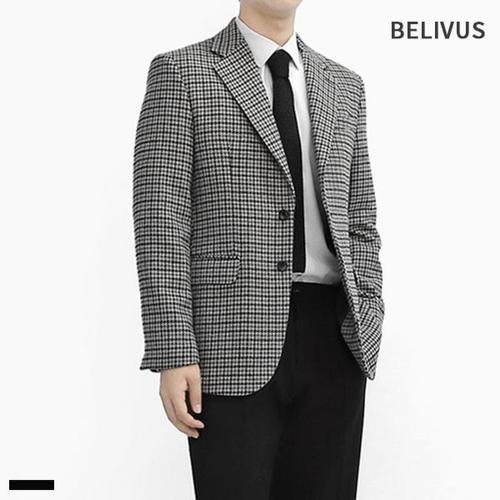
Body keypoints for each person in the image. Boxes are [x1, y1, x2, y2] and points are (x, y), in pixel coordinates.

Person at [133, 1, 385, 499]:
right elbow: (161, 222)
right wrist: (173, 348)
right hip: (229, 338)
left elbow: (360, 218)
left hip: (335, 337)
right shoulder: (182, 72)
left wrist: (370, 307)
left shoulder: (344, 85)